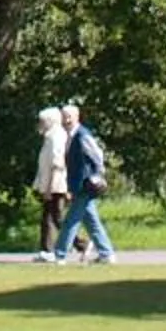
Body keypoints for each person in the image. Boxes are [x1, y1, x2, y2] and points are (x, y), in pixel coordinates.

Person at [50, 101, 116, 264]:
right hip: (78, 185)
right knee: (92, 221)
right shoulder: (71, 136)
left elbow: (97, 154)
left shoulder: (82, 135)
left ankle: (59, 254)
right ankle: (107, 254)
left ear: (77, 117)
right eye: (64, 117)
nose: (66, 120)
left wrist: (98, 174)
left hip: (85, 185)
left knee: (71, 221)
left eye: (69, 117)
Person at [31, 106, 70, 260]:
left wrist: (50, 187)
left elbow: (57, 163)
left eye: (42, 121)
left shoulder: (56, 137)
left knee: (56, 217)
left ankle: (80, 244)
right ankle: (47, 250)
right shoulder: (49, 136)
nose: (40, 124)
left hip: (56, 185)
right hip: (50, 184)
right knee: (49, 218)